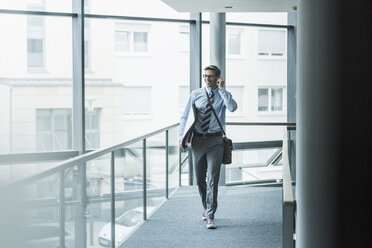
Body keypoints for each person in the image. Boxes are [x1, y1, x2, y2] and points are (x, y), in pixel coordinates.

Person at [179, 65, 238, 229]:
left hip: (216, 141)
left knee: (212, 179)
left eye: (211, 76)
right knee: (199, 179)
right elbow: (184, 117)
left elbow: (232, 108)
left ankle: (210, 215)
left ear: (218, 77)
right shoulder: (195, 94)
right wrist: (180, 137)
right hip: (198, 141)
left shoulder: (223, 95)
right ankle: (206, 206)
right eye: (205, 76)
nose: (207, 79)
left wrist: (222, 90)